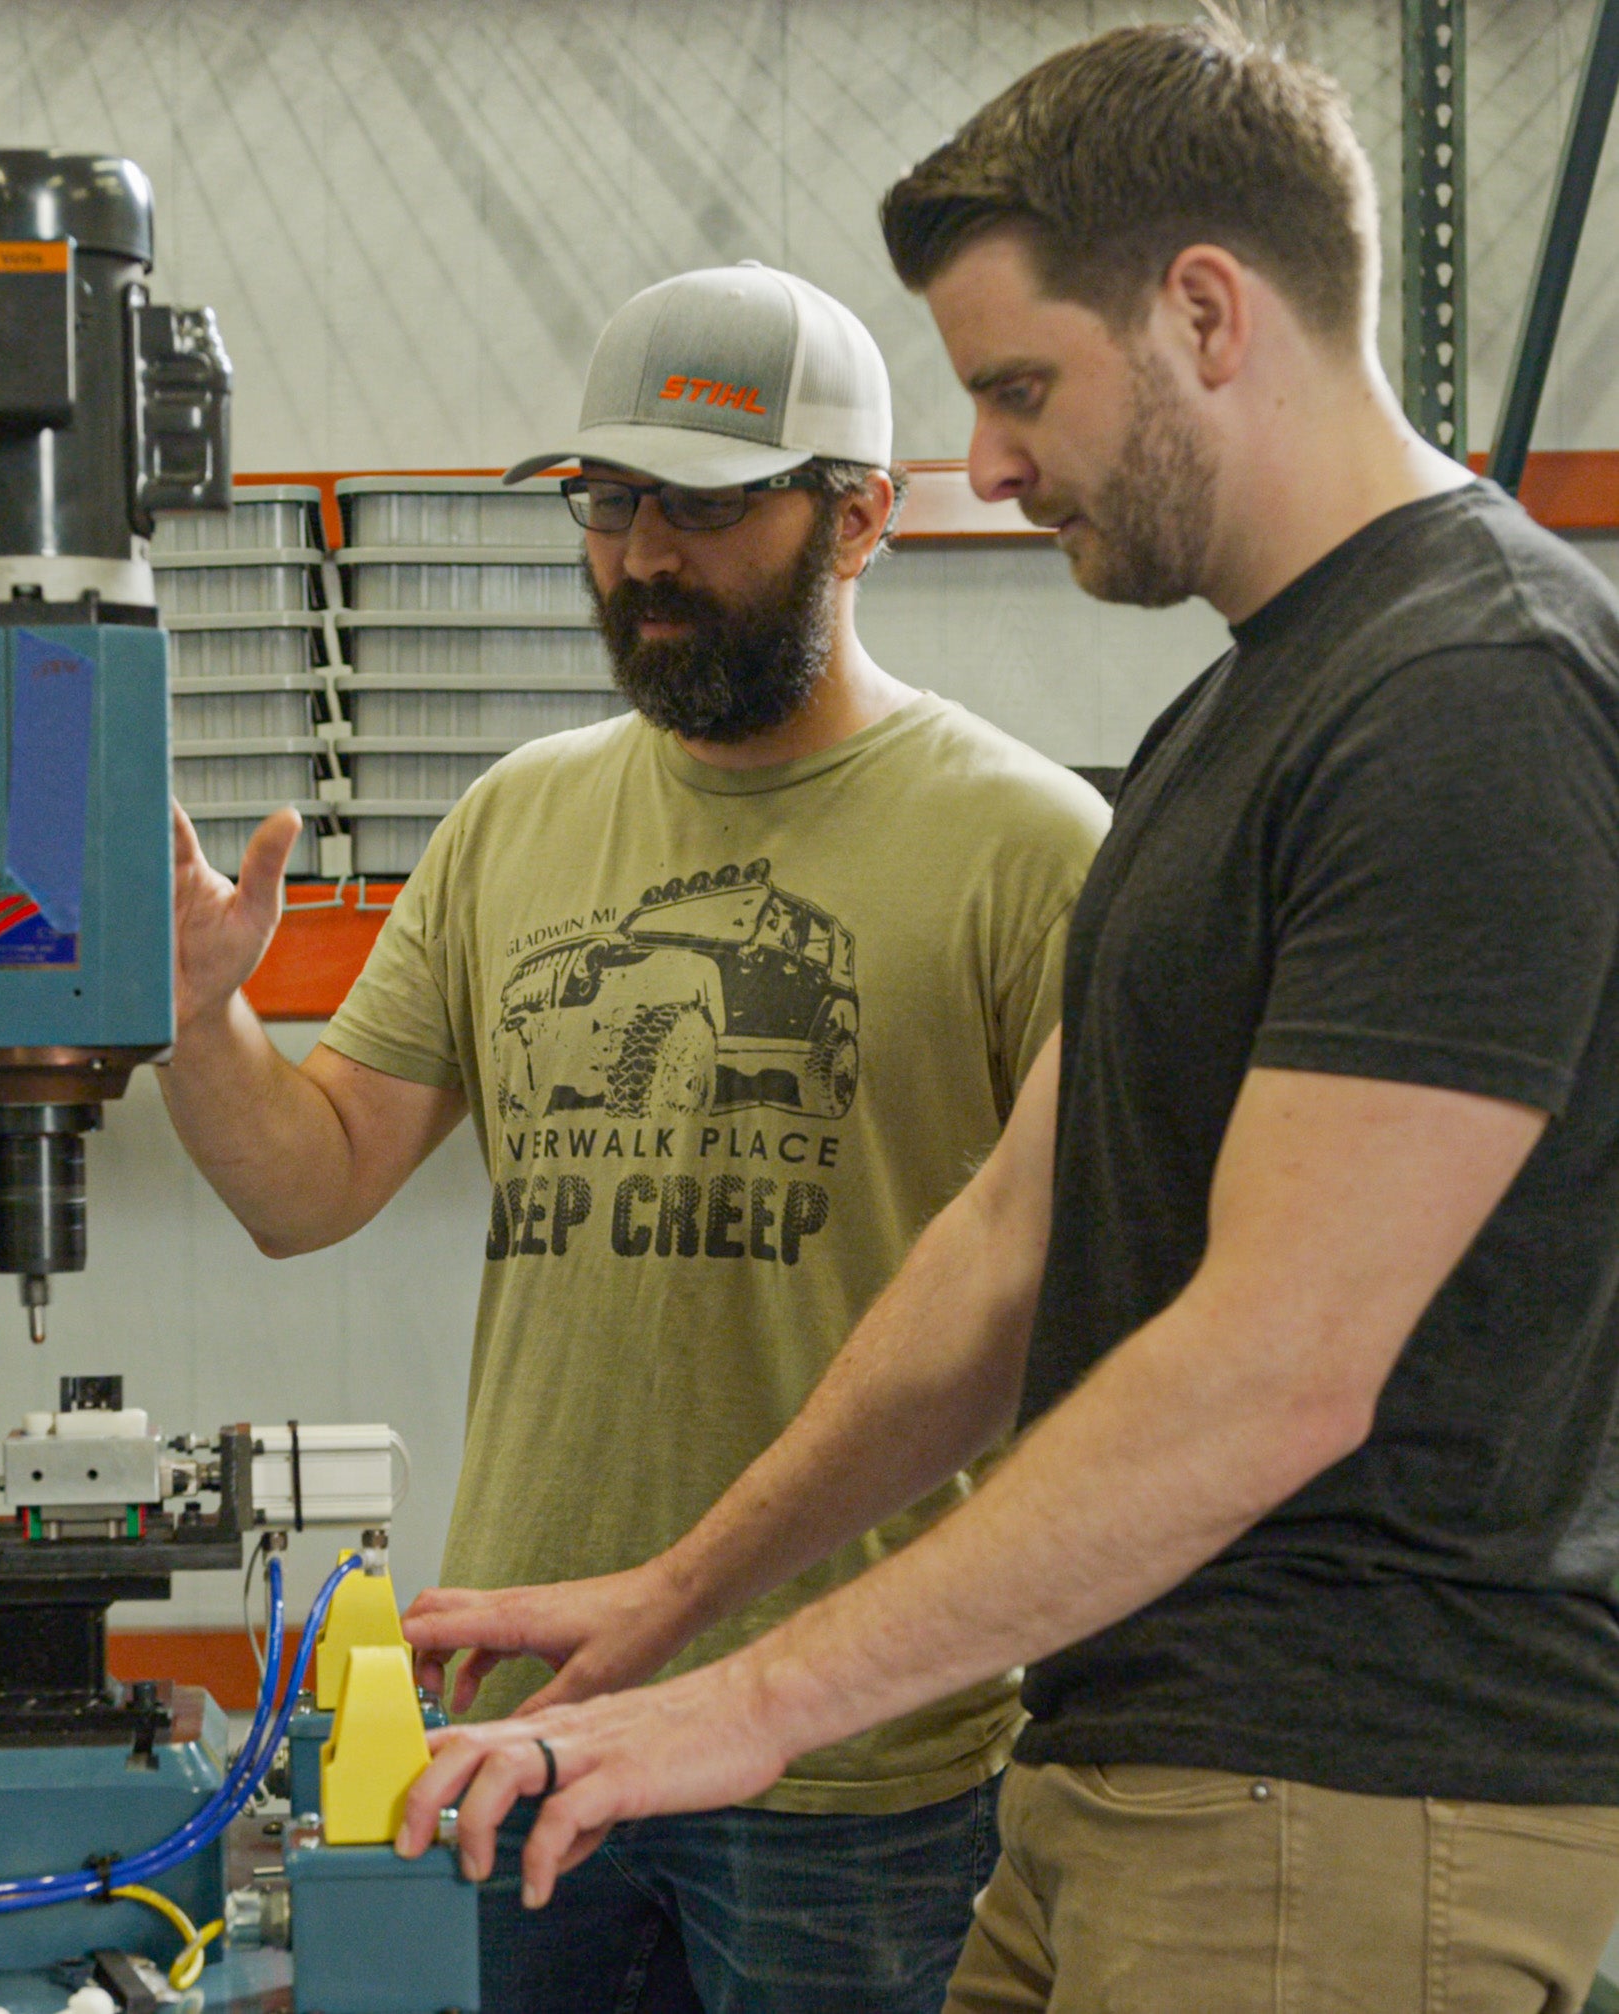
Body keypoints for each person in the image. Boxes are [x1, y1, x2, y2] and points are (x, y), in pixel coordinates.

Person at [396, 24, 1619, 2013]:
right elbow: (1004, 1244)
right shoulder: (1242, 712)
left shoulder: (1465, 697)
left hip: (1339, 1795)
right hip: (1137, 1768)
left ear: (1204, 313)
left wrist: (757, 1705)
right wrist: (680, 1598)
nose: (983, 465)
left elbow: (1272, 1368)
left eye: (1018, 387)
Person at [159, 261, 1108, 2013]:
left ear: (862, 517)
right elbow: (308, 1182)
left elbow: (1091, 1302)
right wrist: (199, 1015)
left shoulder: (1030, 851)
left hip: (851, 1760)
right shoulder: (513, 821)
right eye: (608, 501)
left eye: (705, 506)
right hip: (527, 1724)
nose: (643, 554)